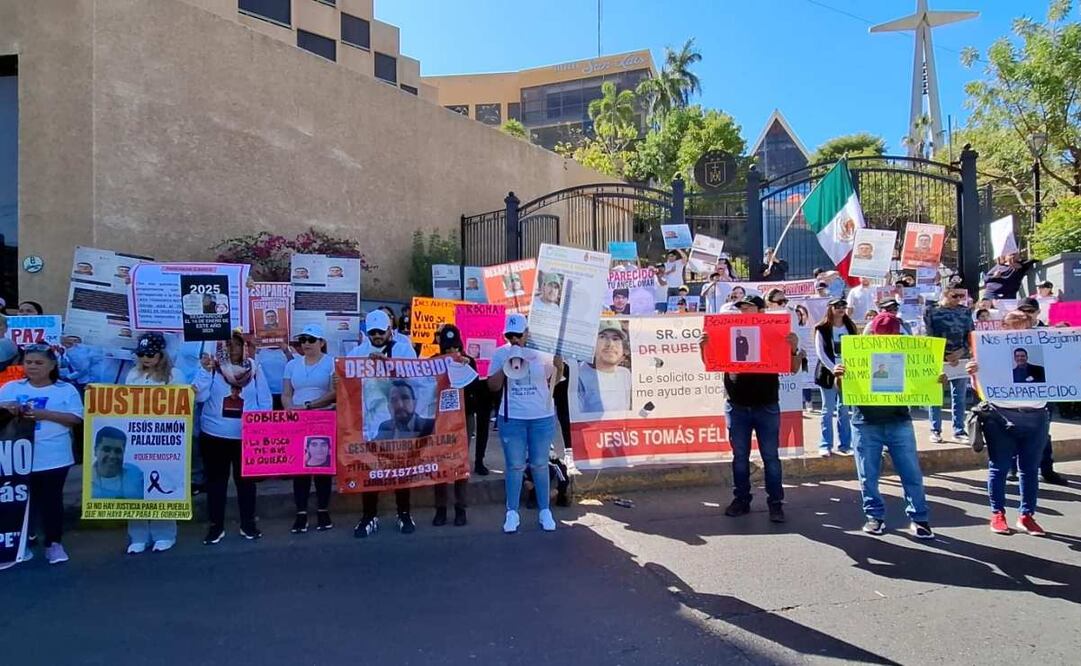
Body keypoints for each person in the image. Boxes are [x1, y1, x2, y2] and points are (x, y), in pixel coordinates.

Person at [701, 295, 802, 523]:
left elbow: (793, 368)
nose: (744, 311)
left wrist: (794, 349)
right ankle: (741, 500)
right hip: (736, 405)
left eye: (749, 307)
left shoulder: (777, 333)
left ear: (761, 311)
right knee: (739, 457)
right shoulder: (729, 332)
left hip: (766, 406)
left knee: (771, 458)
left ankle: (775, 504)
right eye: (741, 308)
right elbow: (710, 361)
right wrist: (704, 345)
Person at [836, 311, 935, 539]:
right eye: (882, 335)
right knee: (868, 474)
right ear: (871, 334)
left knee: (910, 473)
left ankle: (920, 518)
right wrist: (839, 376)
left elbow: (922, 384)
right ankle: (874, 516)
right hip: (865, 422)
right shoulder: (857, 354)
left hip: (898, 421)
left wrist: (936, 381)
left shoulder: (908, 355)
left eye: (890, 335)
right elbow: (844, 391)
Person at [966, 310, 1050, 536]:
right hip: (1000, 416)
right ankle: (998, 514)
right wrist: (973, 373)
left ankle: (1027, 515)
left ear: (1031, 325)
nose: (1018, 329)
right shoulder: (990, 350)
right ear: (1003, 327)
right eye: (1012, 325)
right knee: (999, 467)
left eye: (1023, 324)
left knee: (1030, 469)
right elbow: (979, 387)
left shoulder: (1045, 348)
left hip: (1036, 416)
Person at [0, 345, 83, 564]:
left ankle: (53, 543)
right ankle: (22, 542)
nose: (33, 367)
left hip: (54, 455)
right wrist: (7, 410)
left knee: (51, 501)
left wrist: (45, 414)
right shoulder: (10, 387)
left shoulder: (65, 389)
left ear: (52, 365)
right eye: (29, 362)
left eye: (39, 363)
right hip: (17, 457)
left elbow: (76, 418)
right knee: (21, 500)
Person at [194, 331, 272, 545]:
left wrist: (261, 428)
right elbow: (199, 395)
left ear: (244, 347)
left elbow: (264, 399)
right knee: (216, 483)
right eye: (228, 345)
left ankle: (248, 524)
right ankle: (215, 527)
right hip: (214, 435)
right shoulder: (213, 368)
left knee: (246, 484)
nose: (232, 349)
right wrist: (203, 370)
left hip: (246, 436)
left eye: (237, 345)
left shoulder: (255, 369)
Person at [488, 313, 563, 533]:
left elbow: (554, 382)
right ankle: (512, 512)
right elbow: (492, 387)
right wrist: (507, 364)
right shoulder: (501, 353)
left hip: (541, 416)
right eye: (509, 335)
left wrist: (559, 365)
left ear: (527, 333)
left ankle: (545, 511)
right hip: (512, 418)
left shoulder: (542, 353)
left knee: (540, 464)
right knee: (515, 465)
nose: (514, 339)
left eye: (518, 335)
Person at [347, 309, 418, 538]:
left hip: (399, 422)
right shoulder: (357, 353)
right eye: (372, 332)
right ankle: (369, 515)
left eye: (381, 331)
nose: (377, 336)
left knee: (401, 468)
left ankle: (404, 512)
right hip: (371, 422)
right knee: (371, 470)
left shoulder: (404, 349)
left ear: (390, 329)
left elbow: (416, 380)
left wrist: (389, 365)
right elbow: (345, 383)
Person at [121, 332, 185, 553]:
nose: (145, 358)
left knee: (162, 485)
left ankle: (165, 533)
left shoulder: (174, 375)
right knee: (135, 486)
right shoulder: (132, 375)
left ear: (161, 354)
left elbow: (182, 407)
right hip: (137, 437)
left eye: (150, 354)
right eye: (141, 354)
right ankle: (137, 535)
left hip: (165, 439)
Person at [282, 325, 337, 534]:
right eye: (303, 339)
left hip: (322, 416)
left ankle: (323, 510)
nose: (306, 343)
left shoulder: (331, 363)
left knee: (321, 466)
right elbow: (286, 392)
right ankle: (301, 513)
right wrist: (291, 409)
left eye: (311, 339)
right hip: (298, 418)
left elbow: (333, 392)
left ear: (321, 342)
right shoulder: (292, 365)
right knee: (300, 468)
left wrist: (309, 406)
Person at [431, 324, 481, 527]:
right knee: (439, 462)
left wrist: (467, 365)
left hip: (464, 418)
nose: (452, 353)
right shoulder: (433, 362)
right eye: (447, 350)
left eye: (454, 349)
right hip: (441, 419)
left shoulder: (469, 362)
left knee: (461, 463)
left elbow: (477, 389)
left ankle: (460, 509)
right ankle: (440, 509)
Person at [925, 287, 974, 443]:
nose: (958, 299)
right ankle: (935, 430)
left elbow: (971, 335)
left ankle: (959, 430)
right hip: (938, 358)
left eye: (961, 296)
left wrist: (961, 352)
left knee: (959, 397)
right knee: (935, 395)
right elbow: (927, 334)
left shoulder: (965, 311)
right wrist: (943, 354)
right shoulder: (931, 311)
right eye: (954, 296)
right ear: (944, 295)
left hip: (960, 358)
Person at [813, 299, 857, 457]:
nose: (840, 309)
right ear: (830, 309)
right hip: (828, 374)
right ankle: (825, 444)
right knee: (827, 410)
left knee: (844, 410)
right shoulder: (822, 328)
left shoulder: (850, 327)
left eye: (843, 306)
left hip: (847, 374)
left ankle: (845, 444)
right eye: (837, 306)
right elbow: (821, 353)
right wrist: (833, 369)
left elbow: (857, 348)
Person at [576, 322, 631, 413]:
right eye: (602, 337)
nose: (610, 344)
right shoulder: (577, 374)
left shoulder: (625, 374)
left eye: (615, 339)